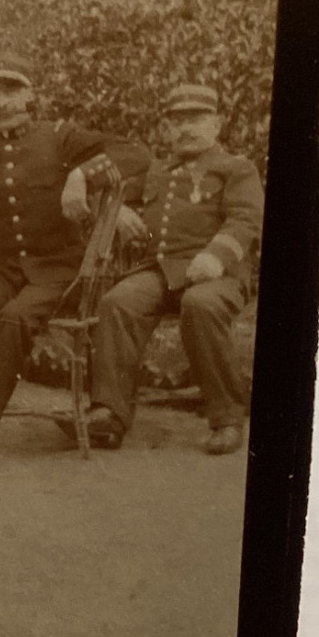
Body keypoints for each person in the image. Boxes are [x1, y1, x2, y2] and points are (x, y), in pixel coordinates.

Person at [0, 52, 150, 475]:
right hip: (4, 269)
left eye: (10, 90)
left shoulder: (60, 137)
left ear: (29, 94)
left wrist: (83, 175)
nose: (2, 101)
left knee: (14, 317)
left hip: (61, 270)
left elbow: (136, 154)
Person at [78, 84, 265, 455]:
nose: (186, 128)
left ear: (217, 123)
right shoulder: (157, 170)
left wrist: (215, 256)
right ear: (166, 128)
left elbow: (246, 218)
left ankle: (227, 417)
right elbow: (110, 192)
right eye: (177, 121)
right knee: (119, 302)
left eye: (196, 118)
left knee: (201, 305)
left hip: (218, 274)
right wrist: (118, 213)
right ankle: (109, 416)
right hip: (160, 272)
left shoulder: (236, 168)